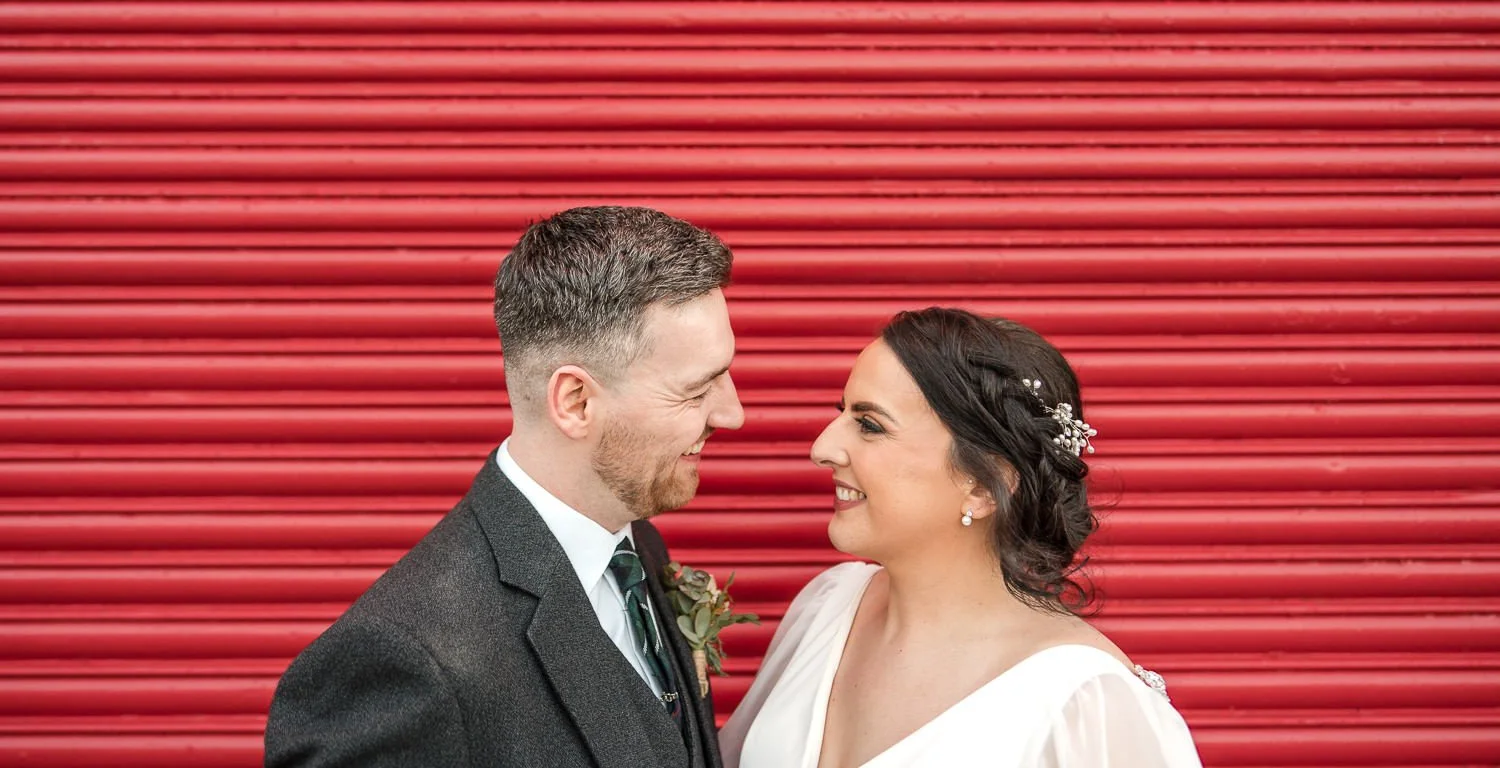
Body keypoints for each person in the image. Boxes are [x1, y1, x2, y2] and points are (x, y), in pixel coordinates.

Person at [265, 205, 745, 768]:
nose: (732, 414)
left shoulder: (637, 546)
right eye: (695, 390)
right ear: (576, 401)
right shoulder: (408, 663)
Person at [721, 307, 1202, 768]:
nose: (822, 448)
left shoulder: (1083, 702)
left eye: (869, 424)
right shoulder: (829, 605)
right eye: (840, 412)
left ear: (983, 484)